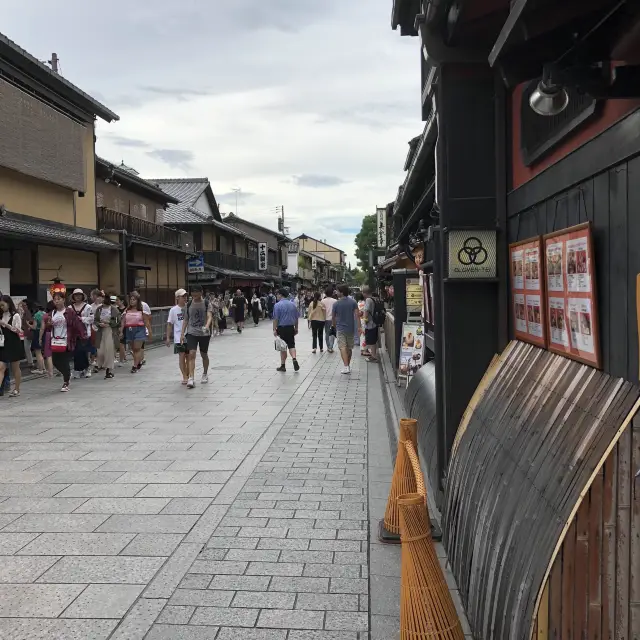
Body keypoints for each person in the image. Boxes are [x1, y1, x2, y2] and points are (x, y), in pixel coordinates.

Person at [42, 291, 86, 392]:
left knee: (65, 360)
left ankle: (66, 382)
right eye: (55, 299)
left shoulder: (69, 312)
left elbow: (76, 324)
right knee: (55, 361)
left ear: (63, 300)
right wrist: (49, 324)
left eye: (59, 299)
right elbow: (47, 327)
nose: (56, 301)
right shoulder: (52, 313)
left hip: (67, 340)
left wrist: (82, 335)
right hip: (55, 340)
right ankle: (67, 374)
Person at [181, 284, 213, 389]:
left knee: (204, 354)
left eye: (196, 292)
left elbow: (209, 316)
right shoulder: (189, 304)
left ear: (201, 292)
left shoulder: (207, 303)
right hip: (192, 332)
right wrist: (182, 334)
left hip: (204, 333)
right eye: (192, 292)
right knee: (192, 353)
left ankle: (204, 373)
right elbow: (185, 319)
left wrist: (207, 326)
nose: (194, 294)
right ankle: (191, 378)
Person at [332, 284, 359, 374]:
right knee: (349, 348)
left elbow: (333, 317)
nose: (336, 292)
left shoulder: (336, 304)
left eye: (337, 291)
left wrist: (334, 326)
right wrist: (359, 327)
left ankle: (346, 366)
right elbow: (357, 315)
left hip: (340, 328)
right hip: (350, 329)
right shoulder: (353, 302)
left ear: (342, 292)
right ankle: (347, 365)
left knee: (342, 347)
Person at [120, 292, 150, 373]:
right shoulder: (127, 310)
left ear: (137, 301)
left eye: (134, 300)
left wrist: (149, 332)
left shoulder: (141, 311)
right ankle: (138, 362)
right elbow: (123, 321)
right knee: (133, 348)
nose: (132, 301)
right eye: (131, 300)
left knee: (137, 348)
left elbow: (147, 322)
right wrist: (121, 331)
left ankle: (134, 366)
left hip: (139, 329)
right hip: (129, 330)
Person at [0, 295, 24, 397]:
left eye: (3, 305)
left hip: (14, 343)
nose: (1, 307)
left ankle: (17, 389)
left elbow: (18, 330)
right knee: (1, 367)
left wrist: (5, 324)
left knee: (15, 368)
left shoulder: (15, 315)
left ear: (8, 304)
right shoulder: (1, 315)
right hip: (3, 343)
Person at [273, 288, 300, 372]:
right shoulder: (293, 305)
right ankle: (294, 359)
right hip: (290, 327)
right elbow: (296, 318)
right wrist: (296, 328)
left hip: (282, 328)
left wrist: (274, 329)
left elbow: (275, 319)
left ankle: (283, 365)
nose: (276, 296)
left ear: (280, 295)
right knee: (291, 345)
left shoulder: (277, 305)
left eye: (277, 294)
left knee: (283, 347)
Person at [94, 293, 121, 379]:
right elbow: (95, 320)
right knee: (100, 351)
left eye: (101, 298)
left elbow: (118, 321)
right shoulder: (99, 309)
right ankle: (101, 364)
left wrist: (109, 323)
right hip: (101, 331)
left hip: (110, 331)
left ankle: (109, 370)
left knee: (109, 350)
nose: (100, 299)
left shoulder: (114, 309)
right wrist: (99, 324)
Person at [167, 288, 189, 385]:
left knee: (189, 357)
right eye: (182, 296)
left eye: (185, 296)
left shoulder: (189, 307)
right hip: (178, 337)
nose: (185, 298)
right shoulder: (173, 310)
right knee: (182, 356)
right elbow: (169, 324)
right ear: (177, 298)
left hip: (190, 335)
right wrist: (167, 337)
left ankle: (188, 374)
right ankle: (184, 375)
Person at [69, 289, 92, 378]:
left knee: (83, 351)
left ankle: (86, 368)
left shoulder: (88, 307)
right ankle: (78, 369)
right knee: (76, 352)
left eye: (79, 295)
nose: (77, 297)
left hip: (85, 333)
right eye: (76, 295)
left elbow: (91, 318)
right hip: (74, 333)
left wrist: (81, 319)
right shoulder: (70, 308)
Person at [362, 285, 379, 363]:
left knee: (371, 341)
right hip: (374, 323)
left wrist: (364, 321)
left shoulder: (368, 300)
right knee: (373, 341)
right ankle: (373, 355)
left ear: (364, 293)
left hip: (370, 324)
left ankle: (374, 357)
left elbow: (366, 311)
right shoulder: (374, 299)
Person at [31, 303, 47, 375]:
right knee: (41, 351)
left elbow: (34, 327)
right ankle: (43, 368)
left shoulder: (36, 315)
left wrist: (28, 324)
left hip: (37, 333)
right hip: (45, 333)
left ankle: (40, 369)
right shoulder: (45, 314)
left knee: (38, 352)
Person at [18, 299, 34, 368]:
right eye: (22, 305)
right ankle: (30, 361)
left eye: (24, 305)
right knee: (27, 347)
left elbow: (30, 322)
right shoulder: (25, 312)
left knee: (27, 347)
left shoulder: (27, 312)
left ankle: (30, 362)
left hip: (28, 332)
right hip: (27, 331)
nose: (23, 307)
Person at [322, 287, 337, 353]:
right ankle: (331, 346)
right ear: (332, 293)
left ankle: (328, 347)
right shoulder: (335, 301)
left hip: (325, 319)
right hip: (333, 319)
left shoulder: (322, 301)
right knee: (333, 333)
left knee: (327, 333)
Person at [115, 295, 128, 366]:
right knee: (119, 344)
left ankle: (121, 360)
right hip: (117, 328)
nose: (116, 302)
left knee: (121, 344)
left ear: (122, 301)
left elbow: (125, 320)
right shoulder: (115, 309)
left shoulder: (126, 310)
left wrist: (121, 330)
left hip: (125, 328)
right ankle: (123, 357)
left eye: (117, 300)